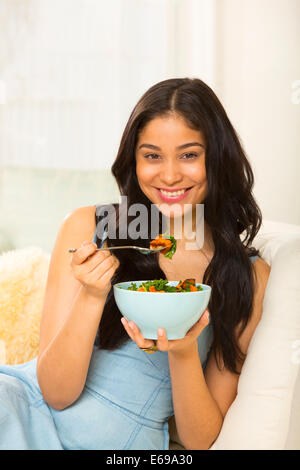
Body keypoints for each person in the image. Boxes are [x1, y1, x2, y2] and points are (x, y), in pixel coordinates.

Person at [0, 77, 270, 450]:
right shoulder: (89, 227)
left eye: (189, 154)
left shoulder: (248, 277)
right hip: (22, 413)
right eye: (152, 155)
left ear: (217, 158)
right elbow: (56, 393)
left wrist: (182, 348)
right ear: (134, 160)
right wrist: (92, 296)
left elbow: (200, 441)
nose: (170, 174)